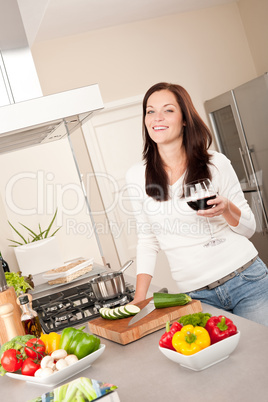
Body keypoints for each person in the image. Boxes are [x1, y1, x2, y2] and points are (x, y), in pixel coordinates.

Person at [126, 82, 268, 326]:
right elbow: (148, 240)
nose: (157, 118)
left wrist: (227, 209)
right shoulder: (137, 175)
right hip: (197, 296)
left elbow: (249, 228)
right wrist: (139, 298)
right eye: (150, 111)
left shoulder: (216, 163)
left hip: (246, 279)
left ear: (184, 119)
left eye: (168, 110)